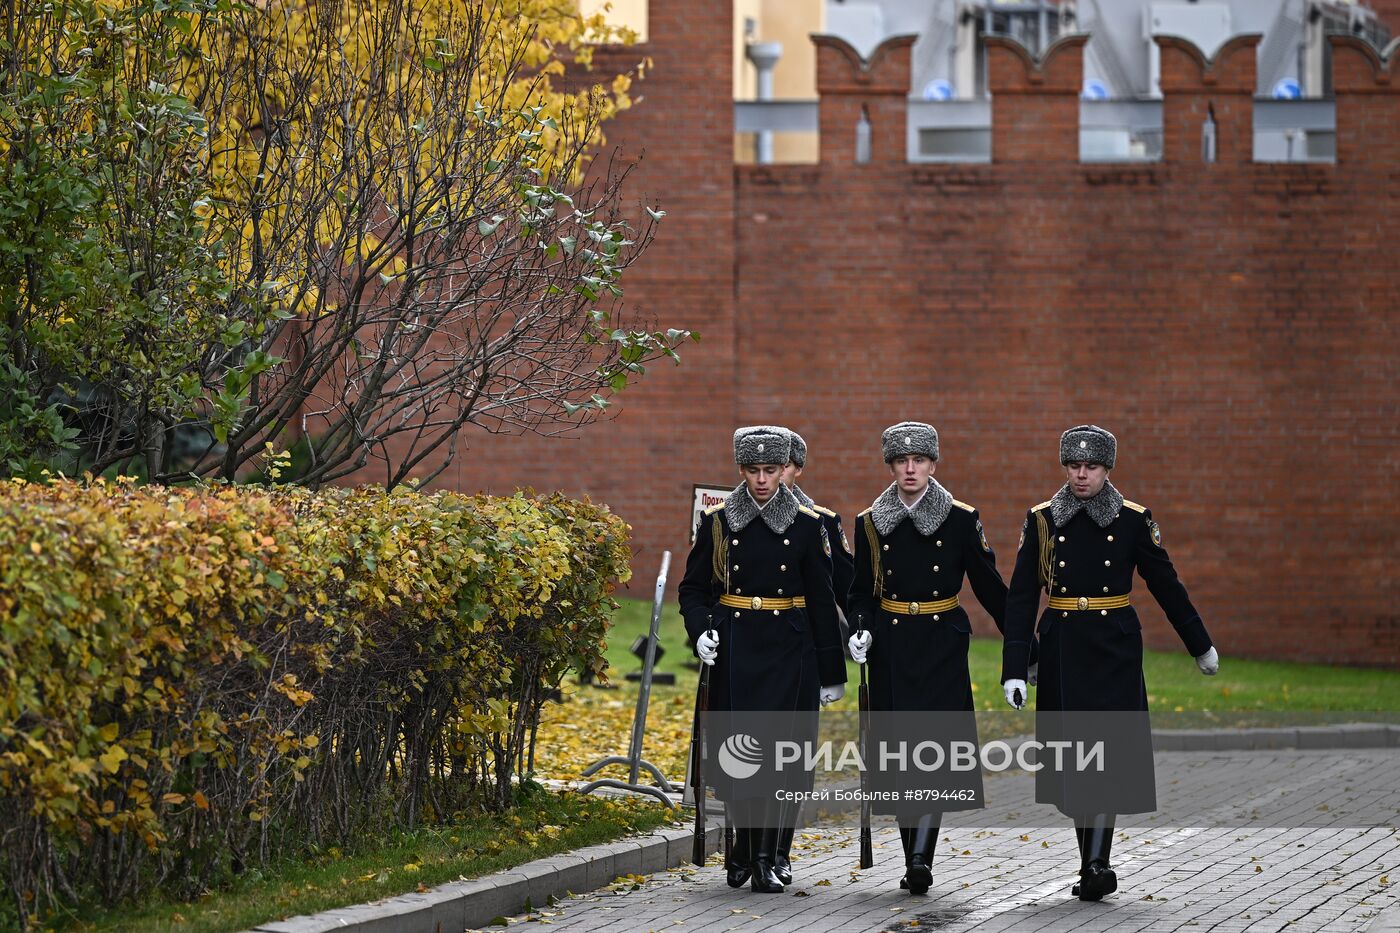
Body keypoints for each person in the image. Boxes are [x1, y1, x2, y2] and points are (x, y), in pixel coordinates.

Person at [1000, 424, 1220, 902]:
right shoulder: (1042, 520)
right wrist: (1015, 667)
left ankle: (1097, 862)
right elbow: (1020, 600)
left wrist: (1199, 644)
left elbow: (1167, 585)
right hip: (1061, 645)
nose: (1081, 475)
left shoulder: (1133, 520)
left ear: (1107, 469)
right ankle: (1091, 862)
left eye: (1092, 467)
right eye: (1074, 466)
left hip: (1113, 647)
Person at [846, 421, 1014, 895]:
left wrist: (1022, 646)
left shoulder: (960, 518)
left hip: (941, 641)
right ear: (891, 466)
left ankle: (922, 855)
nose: (910, 469)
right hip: (892, 641)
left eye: (918, 460)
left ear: (933, 464)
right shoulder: (870, 521)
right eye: (901, 461)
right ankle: (911, 853)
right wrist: (859, 627)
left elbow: (989, 586)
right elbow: (860, 591)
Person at [678, 426, 846, 894]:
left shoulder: (809, 524)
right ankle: (743, 851)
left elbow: (821, 598)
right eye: (752, 470)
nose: (762, 479)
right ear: (741, 470)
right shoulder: (719, 522)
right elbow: (692, 588)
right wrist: (702, 629)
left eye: (771, 470)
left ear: (784, 470)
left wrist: (832, 671)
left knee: (779, 756)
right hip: (735, 643)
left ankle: (768, 856)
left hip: (790, 648)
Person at [771, 427, 853, 885]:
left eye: (782, 467)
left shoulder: (818, 521)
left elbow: (845, 587)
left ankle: (779, 849)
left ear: (797, 469)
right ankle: (748, 849)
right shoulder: (734, 514)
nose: (773, 476)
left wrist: (860, 630)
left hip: (800, 645)